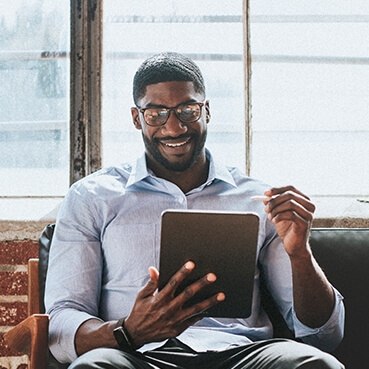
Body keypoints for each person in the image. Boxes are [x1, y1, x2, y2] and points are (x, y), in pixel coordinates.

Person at [45, 52, 345, 369]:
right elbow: (62, 320)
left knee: (318, 363)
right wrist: (127, 331)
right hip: (134, 355)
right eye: (156, 114)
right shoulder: (92, 197)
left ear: (207, 111)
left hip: (240, 355)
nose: (174, 128)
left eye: (188, 110)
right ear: (137, 118)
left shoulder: (257, 199)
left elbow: (322, 335)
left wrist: (300, 254)